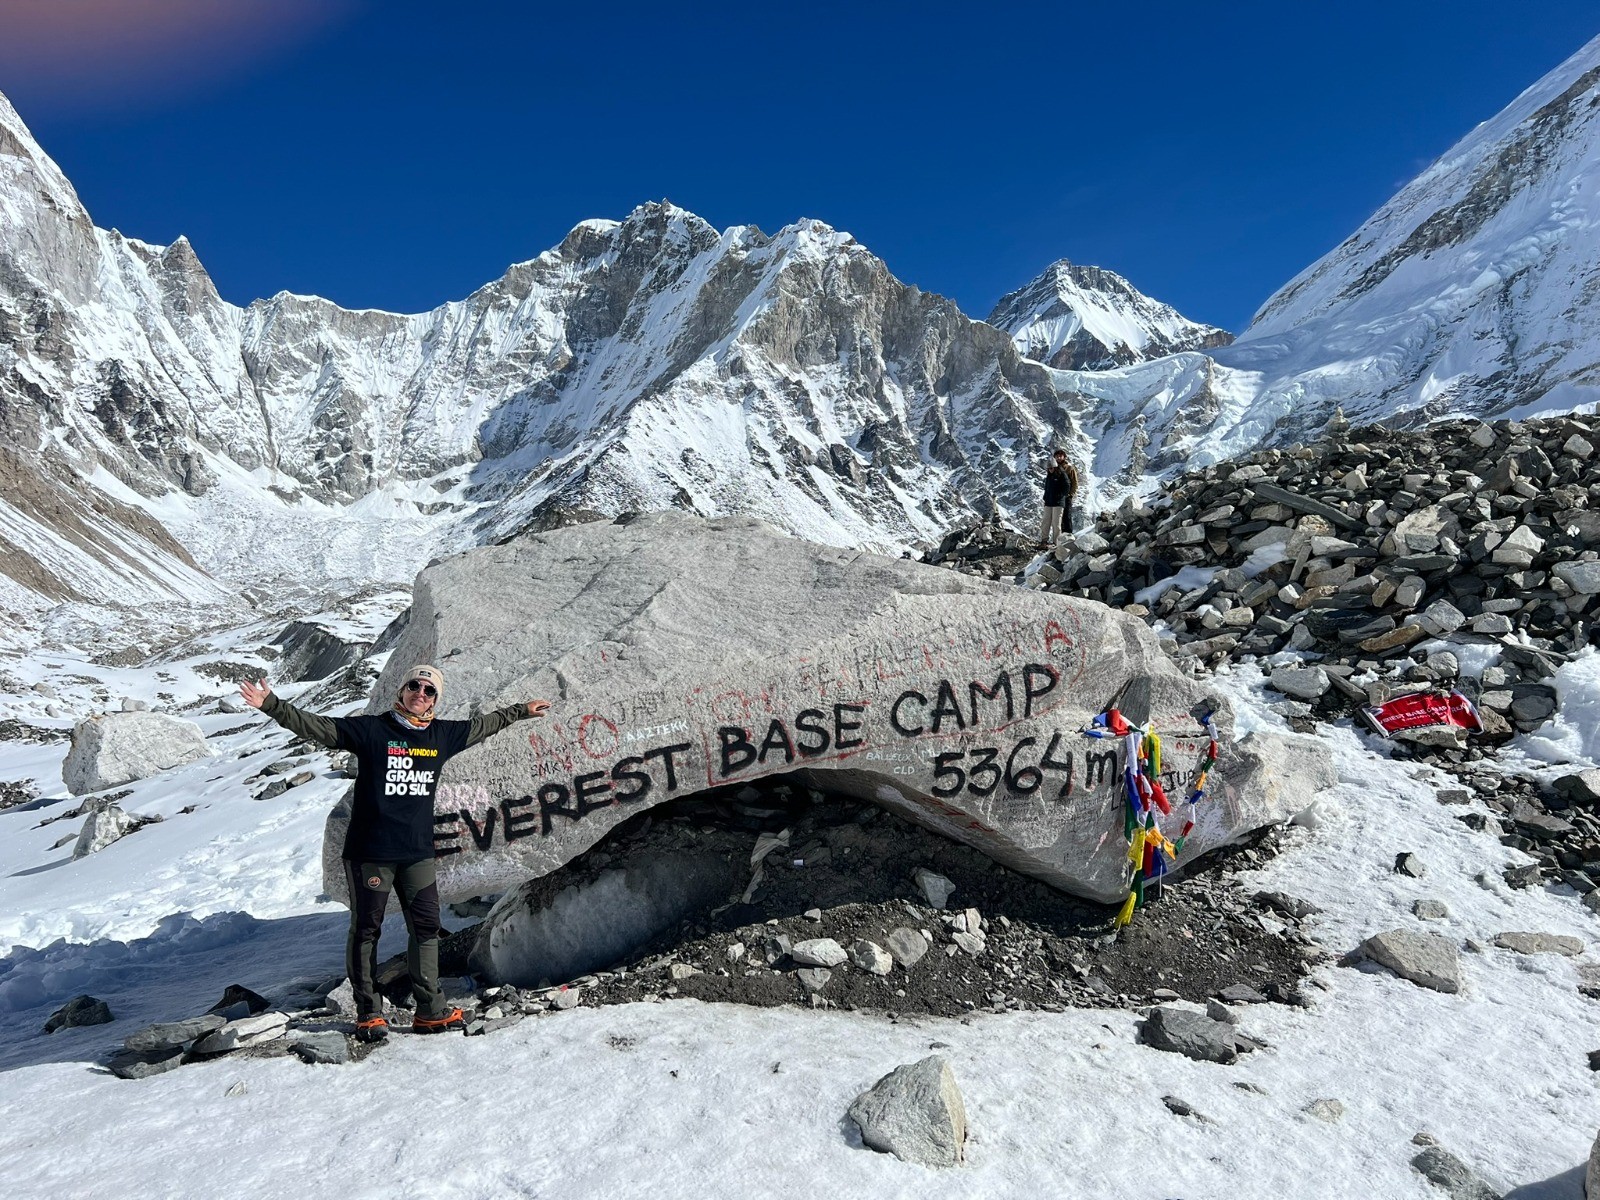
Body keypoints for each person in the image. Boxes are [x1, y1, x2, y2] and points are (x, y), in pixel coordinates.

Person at [240, 665, 550, 1041]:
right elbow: (317, 727)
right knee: (367, 930)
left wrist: (520, 711)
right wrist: (271, 704)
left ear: (435, 699)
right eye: (414, 686)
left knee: (426, 929)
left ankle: (430, 1011)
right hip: (371, 853)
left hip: (417, 855)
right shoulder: (373, 730)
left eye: (429, 690)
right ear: (402, 691)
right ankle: (369, 1013)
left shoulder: (442, 734)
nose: (421, 694)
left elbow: (483, 726)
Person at [1039, 448, 1079, 547]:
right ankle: (1050, 540)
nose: (1059, 457)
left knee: (1065, 517)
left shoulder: (1068, 468)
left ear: (1064, 457)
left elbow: (1072, 483)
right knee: (1051, 521)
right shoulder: (1051, 471)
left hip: (1063, 498)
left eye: (1060, 456)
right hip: (1051, 500)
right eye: (1057, 456)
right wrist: (1046, 497)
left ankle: (1066, 538)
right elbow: (1048, 487)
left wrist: (1068, 495)